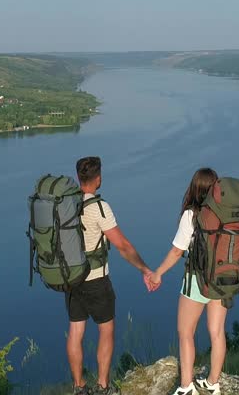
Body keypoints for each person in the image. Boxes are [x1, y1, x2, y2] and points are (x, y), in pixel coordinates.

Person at [67, 156, 156, 395]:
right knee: (106, 331)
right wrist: (145, 269)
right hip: (96, 279)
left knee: (76, 331)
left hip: (72, 280)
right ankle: (103, 386)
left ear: (78, 178)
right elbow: (123, 245)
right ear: (98, 178)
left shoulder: (67, 205)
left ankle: (78, 387)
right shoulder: (99, 207)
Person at [145, 168, 227, 395]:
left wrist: (157, 273)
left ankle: (186, 386)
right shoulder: (225, 212)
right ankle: (213, 383)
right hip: (222, 279)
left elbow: (176, 252)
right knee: (217, 332)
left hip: (197, 281)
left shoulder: (192, 215)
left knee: (186, 333)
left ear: (195, 188)